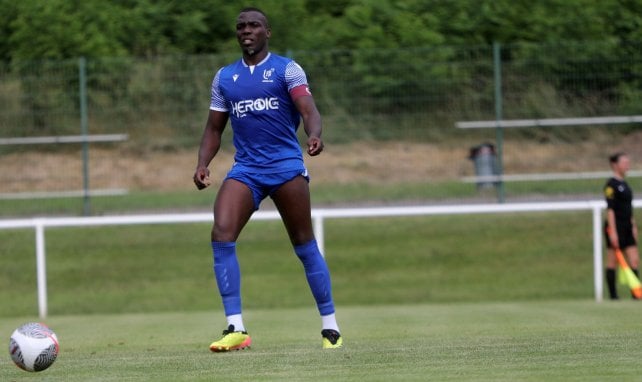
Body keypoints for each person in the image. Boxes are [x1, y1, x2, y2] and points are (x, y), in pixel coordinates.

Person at [192, 7, 342, 351]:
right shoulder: (224, 78)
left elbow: (308, 108)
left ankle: (330, 327)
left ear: (267, 32)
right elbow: (214, 128)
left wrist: (314, 133)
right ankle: (236, 327)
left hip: (286, 167)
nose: (247, 30)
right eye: (241, 26)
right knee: (221, 233)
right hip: (246, 170)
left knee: (304, 245)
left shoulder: (286, 69)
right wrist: (203, 162)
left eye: (254, 25)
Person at [604, 152, 639, 300]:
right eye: (624, 162)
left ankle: (636, 294)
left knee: (634, 259)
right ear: (615, 165)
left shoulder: (625, 184)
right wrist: (613, 232)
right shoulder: (610, 185)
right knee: (613, 260)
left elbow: (628, 207)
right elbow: (610, 209)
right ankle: (613, 296)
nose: (627, 165)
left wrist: (633, 225)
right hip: (615, 226)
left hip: (627, 226)